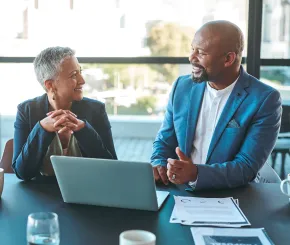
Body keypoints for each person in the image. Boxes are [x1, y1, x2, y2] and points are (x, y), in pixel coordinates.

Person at [151, 20, 282, 190]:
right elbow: (164, 141)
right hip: (180, 191)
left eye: (201, 53)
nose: (191, 58)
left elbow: (246, 167)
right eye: (192, 49)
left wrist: (196, 174)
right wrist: (159, 164)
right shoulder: (182, 87)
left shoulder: (264, 99)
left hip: (234, 197)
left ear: (228, 59)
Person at [12, 47, 117, 180]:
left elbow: (112, 167)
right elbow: (22, 173)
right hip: (41, 195)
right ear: (50, 85)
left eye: (80, 72)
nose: (82, 80)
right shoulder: (26, 110)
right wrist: (41, 129)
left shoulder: (96, 110)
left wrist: (84, 129)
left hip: (89, 191)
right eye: (74, 75)